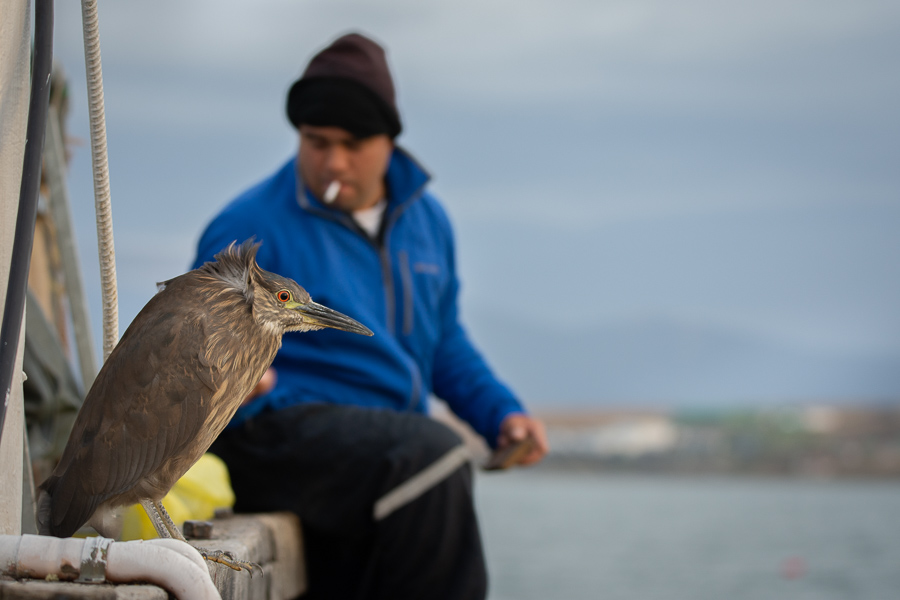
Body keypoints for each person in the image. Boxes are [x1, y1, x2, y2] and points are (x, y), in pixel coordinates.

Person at [192, 32, 548, 600]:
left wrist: (499, 412)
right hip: (275, 430)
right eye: (316, 141)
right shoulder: (248, 229)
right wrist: (232, 373)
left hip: (380, 448)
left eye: (352, 143)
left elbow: (443, 339)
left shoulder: (429, 223)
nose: (333, 160)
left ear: (389, 142)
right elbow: (190, 346)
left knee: (420, 463)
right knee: (432, 457)